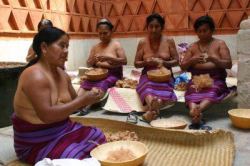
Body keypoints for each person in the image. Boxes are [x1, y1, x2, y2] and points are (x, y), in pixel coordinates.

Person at [12, 27, 106, 164]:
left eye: (67, 46)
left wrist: (92, 95)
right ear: (44, 47)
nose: (66, 51)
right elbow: (47, 116)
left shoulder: (62, 74)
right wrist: (82, 100)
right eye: (62, 46)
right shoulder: (34, 75)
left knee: (97, 135)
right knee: (72, 156)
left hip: (62, 130)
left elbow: (77, 104)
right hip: (36, 142)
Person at [180, 15, 236, 129]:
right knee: (191, 92)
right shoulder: (192, 47)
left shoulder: (220, 44)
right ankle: (195, 112)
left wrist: (213, 59)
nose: (202, 33)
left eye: (205, 30)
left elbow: (228, 64)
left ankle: (196, 111)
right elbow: (183, 67)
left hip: (215, 80)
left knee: (213, 91)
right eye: (199, 31)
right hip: (196, 80)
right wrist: (192, 60)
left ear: (211, 30)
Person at [134, 13, 179, 122]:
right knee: (147, 86)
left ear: (162, 27)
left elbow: (177, 61)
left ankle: (151, 110)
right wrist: (146, 62)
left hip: (165, 74)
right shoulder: (142, 42)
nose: (153, 30)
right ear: (147, 27)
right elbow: (136, 63)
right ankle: (154, 106)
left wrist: (163, 62)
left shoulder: (169, 41)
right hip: (147, 74)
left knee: (165, 88)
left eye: (157, 26)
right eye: (151, 26)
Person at [78, 19, 127, 100]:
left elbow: (124, 61)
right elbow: (88, 64)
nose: (102, 36)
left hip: (113, 74)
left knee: (103, 83)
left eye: (105, 33)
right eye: (100, 33)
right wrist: (93, 60)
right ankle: (77, 102)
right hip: (97, 74)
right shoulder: (95, 47)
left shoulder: (116, 45)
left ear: (111, 32)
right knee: (85, 83)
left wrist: (108, 58)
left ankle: (88, 105)